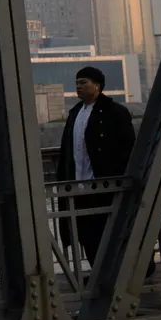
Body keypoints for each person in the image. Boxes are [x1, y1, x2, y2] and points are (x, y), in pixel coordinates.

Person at [56, 66, 136, 266]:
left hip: (104, 187)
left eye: (83, 83)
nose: (78, 87)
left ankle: (123, 269)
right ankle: (98, 273)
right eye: (77, 83)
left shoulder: (115, 112)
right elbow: (68, 151)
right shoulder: (75, 114)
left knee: (109, 231)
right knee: (85, 233)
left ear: (97, 86)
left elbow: (127, 148)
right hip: (79, 187)